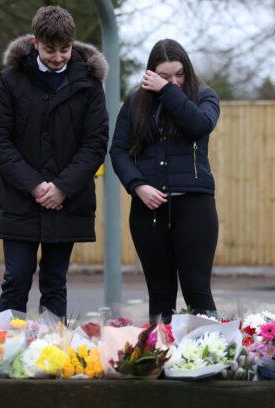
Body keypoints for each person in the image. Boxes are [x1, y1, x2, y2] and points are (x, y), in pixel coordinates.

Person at [0, 6, 108, 318]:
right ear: (36, 42)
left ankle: (50, 355)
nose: (58, 57)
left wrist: (63, 187)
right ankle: (7, 352)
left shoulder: (90, 85)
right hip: (20, 201)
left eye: (64, 49)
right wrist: (35, 185)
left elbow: (95, 143)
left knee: (55, 283)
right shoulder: (9, 81)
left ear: (72, 43)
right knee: (16, 280)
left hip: (66, 203)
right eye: (50, 49)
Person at [110, 39, 220, 322]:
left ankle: (209, 356)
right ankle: (160, 358)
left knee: (197, 290)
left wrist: (167, 91)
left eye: (179, 74)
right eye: (165, 76)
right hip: (149, 209)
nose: (174, 81)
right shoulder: (136, 102)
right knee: (160, 293)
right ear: (151, 73)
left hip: (195, 207)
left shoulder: (204, 97)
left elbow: (198, 126)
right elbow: (119, 150)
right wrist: (138, 186)